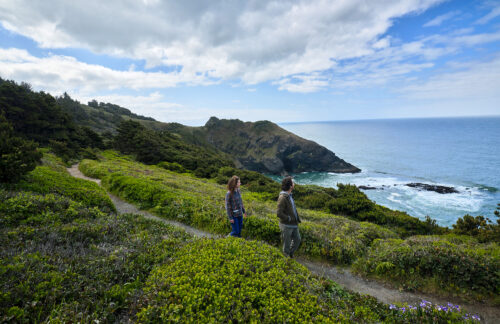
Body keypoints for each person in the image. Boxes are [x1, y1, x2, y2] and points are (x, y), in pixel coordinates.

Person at [277, 176, 301, 257]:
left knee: (297, 240)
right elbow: (279, 213)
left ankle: (290, 254)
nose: (294, 184)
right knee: (286, 245)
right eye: (293, 183)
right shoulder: (282, 198)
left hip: (294, 224)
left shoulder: (289, 195)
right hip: (286, 225)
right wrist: (288, 218)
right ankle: (286, 259)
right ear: (290, 186)